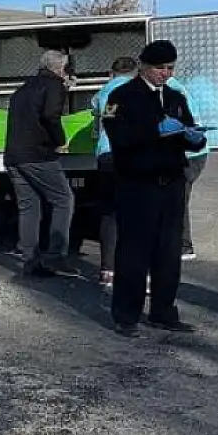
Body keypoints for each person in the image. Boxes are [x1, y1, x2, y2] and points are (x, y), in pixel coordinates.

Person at [100, 40, 204, 337]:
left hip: (171, 183)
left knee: (169, 252)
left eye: (170, 68)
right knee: (134, 252)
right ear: (144, 65)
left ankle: (163, 311)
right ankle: (126, 315)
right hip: (138, 185)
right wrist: (154, 131)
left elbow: (187, 130)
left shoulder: (174, 96)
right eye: (160, 68)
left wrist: (194, 139)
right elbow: (118, 135)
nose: (165, 74)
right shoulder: (122, 96)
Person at [3, 50, 79, 278]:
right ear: (61, 69)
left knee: (29, 206)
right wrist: (60, 140)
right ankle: (55, 257)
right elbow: (50, 116)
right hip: (38, 155)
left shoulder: (23, 89)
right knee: (63, 200)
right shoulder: (53, 86)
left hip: (14, 156)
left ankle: (30, 260)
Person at [89, 56, 137, 293]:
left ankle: (108, 271)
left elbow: (102, 117)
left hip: (106, 156)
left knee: (109, 215)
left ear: (111, 73)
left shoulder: (104, 93)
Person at [165, 75, 210, 260]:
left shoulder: (169, 91)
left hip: (189, 156)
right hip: (194, 154)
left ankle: (184, 246)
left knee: (178, 200)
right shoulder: (173, 87)